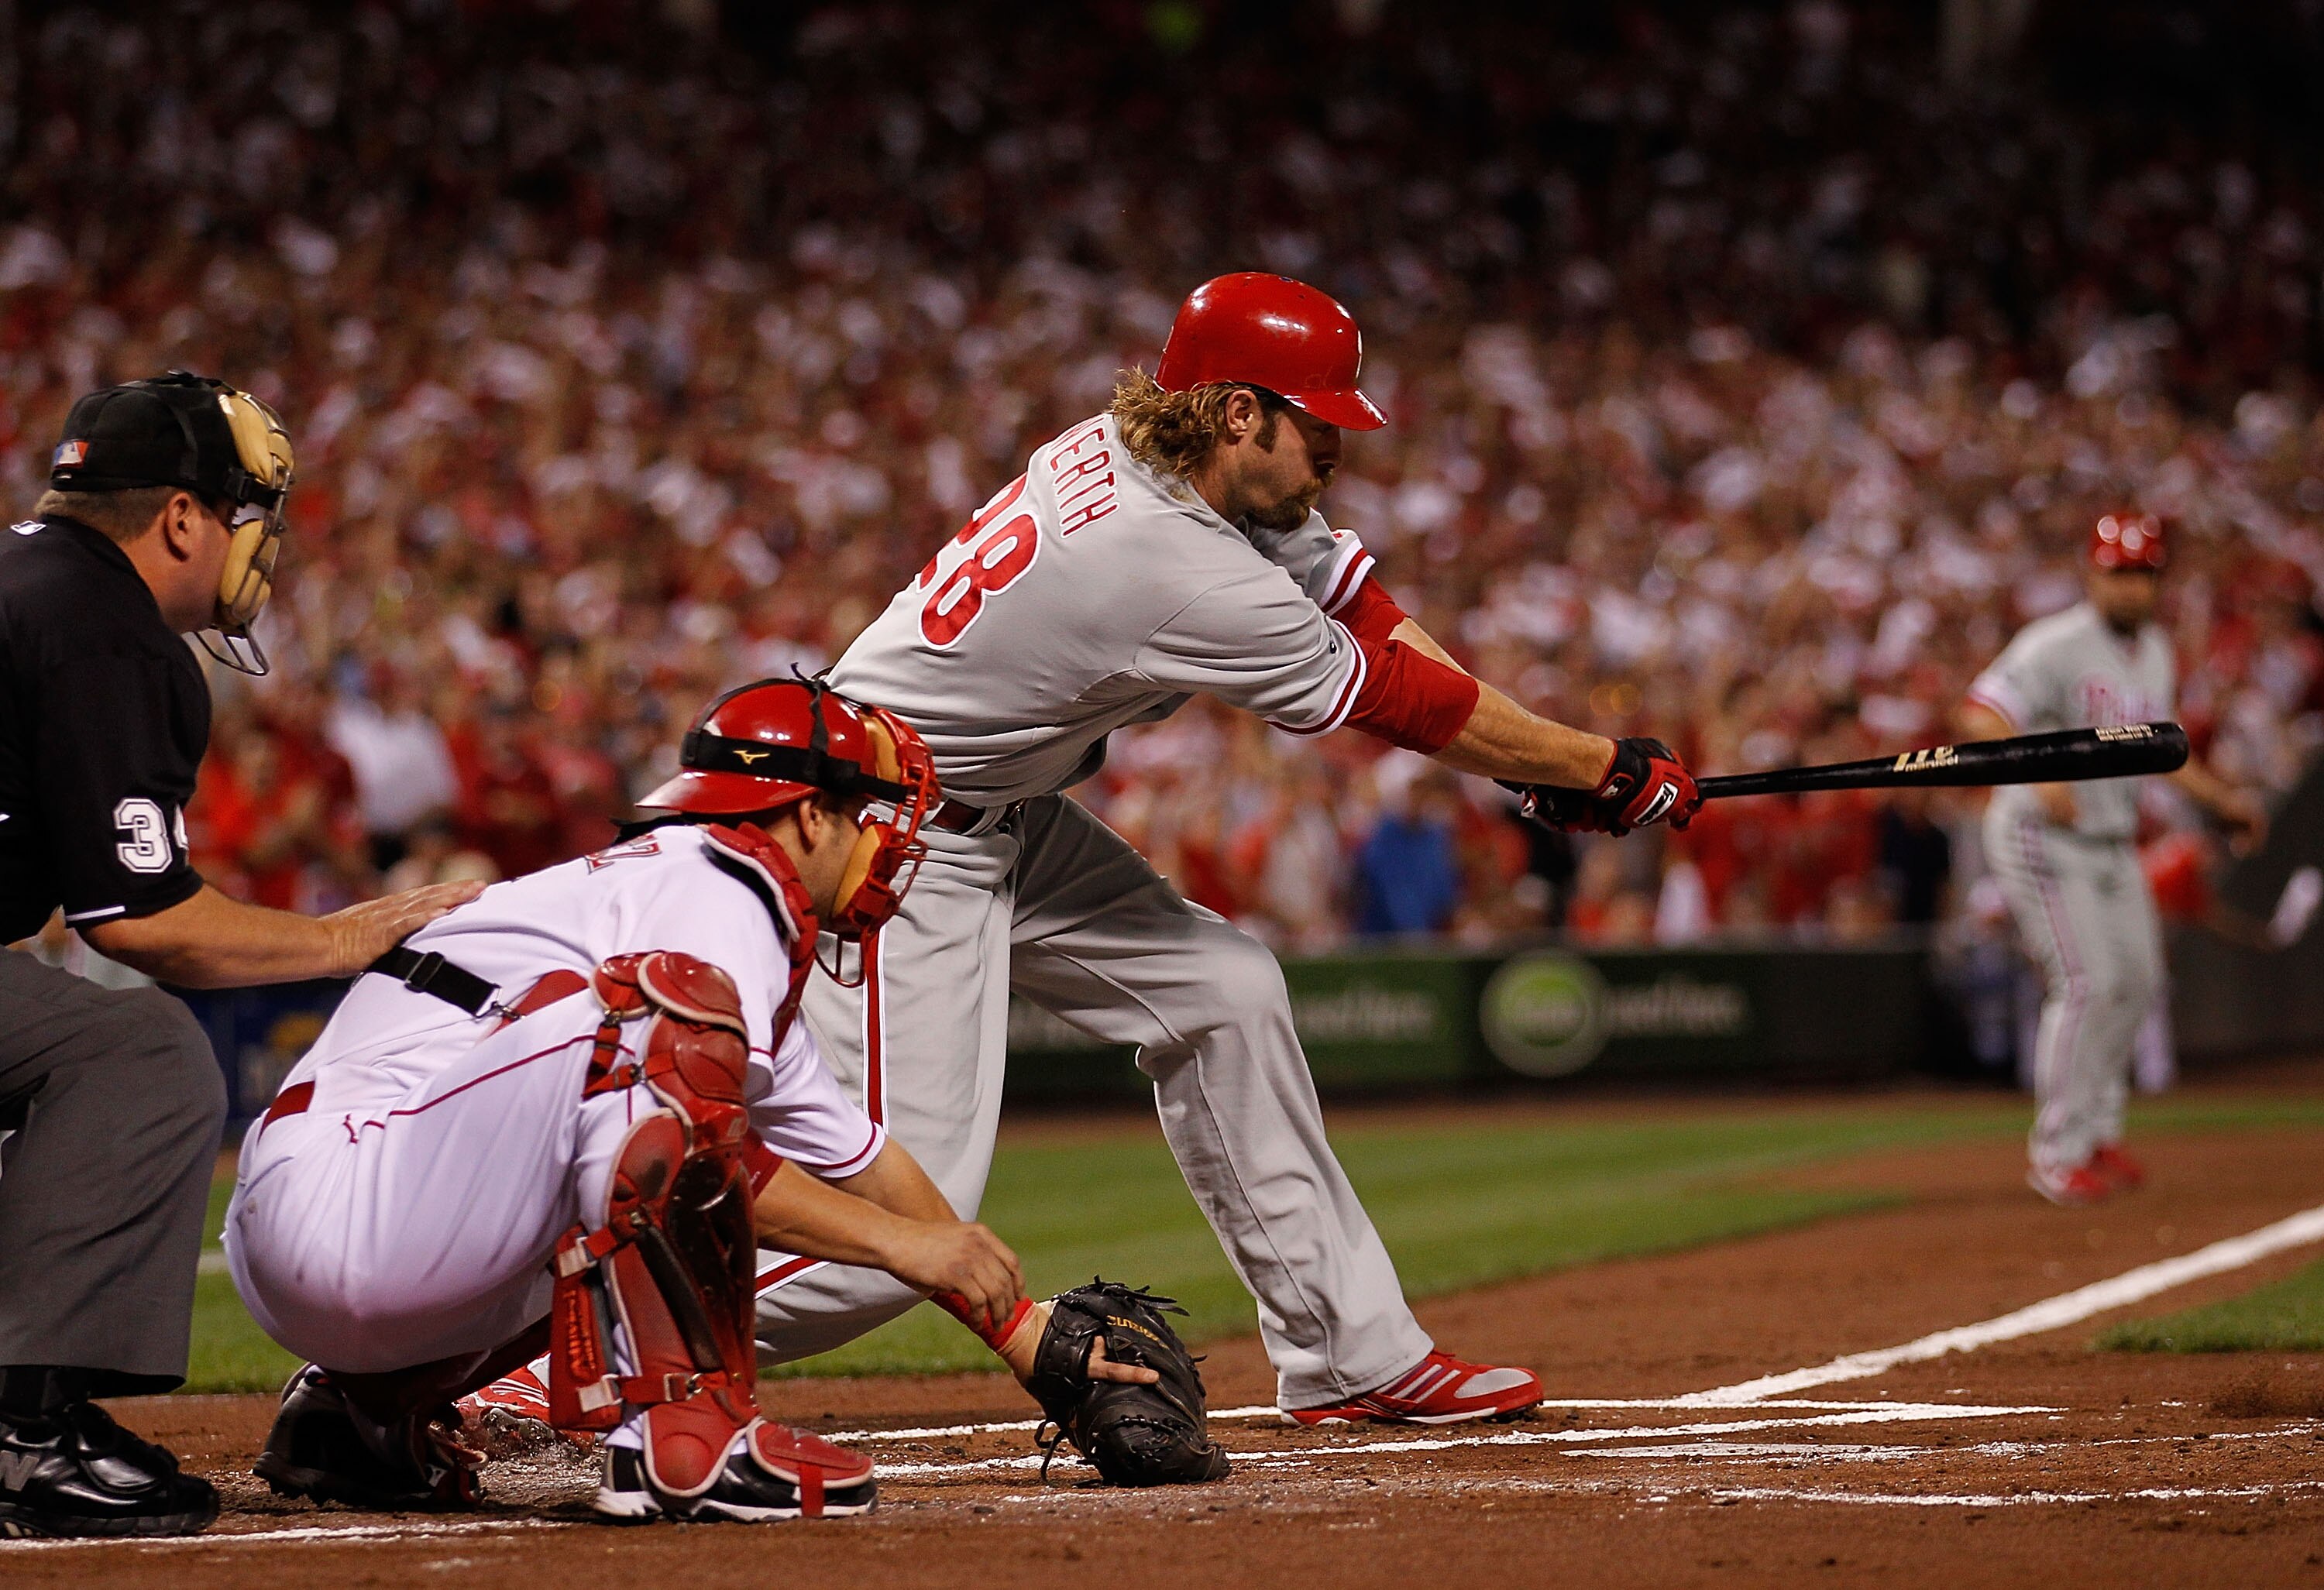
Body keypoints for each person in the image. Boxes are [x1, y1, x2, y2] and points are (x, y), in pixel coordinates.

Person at [765, 273, 1700, 1425]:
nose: (1335, 451)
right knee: (901, 1233)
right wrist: (1593, 767)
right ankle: (557, 1354)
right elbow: (1397, 701)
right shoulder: (1168, 558)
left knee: (1224, 990)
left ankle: (1350, 1353)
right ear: (1238, 413)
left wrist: (1541, 762)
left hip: (974, 803)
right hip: (881, 839)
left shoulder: (1154, 453)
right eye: (1317, 422)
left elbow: (1361, 609)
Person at [227, 680, 1171, 1525]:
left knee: (636, 1102)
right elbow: (683, 1131)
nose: (892, 841)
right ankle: (687, 1435)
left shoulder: (693, 909)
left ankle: (360, 1412)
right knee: (654, 1053)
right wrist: (896, 1246)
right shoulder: (718, 887)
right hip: (352, 1191)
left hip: (355, 1210)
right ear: (805, 817)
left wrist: (1019, 1330)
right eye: (868, 812)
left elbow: (869, 1165)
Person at [0, 373, 478, 1539]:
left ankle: (37, 1401)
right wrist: (344, 936)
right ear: (179, 518)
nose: (255, 544)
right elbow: (147, 923)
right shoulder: (104, 626)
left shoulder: (30, 577)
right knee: (143, 1057)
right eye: (245, 512)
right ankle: (24, 1434)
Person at [1961, 513, 2265, 1205]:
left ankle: (2097, 1131)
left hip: (2111, 837)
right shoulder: (2055, 643)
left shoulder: (2155, 648)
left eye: (2142, 574)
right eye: (2119, 572)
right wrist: (2034, 774)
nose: (2131, 587)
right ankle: (2056, 1150)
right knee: (2088, 981)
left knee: (2138, 980)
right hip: (2039, 833)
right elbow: (1980, 712)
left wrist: (2221, 799)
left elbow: (2159, 749)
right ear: (2092, 575)